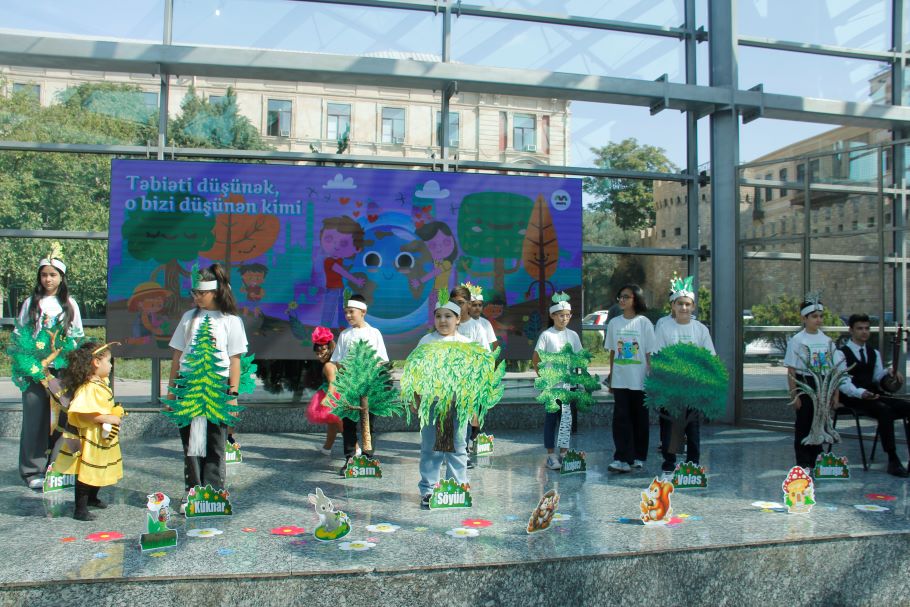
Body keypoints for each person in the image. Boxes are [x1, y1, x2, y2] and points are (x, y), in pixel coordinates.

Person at [166, 263, 248, 507]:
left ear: (215, 291)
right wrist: (171, 392)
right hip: (189, 387)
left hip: (216, 387)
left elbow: (235, 361)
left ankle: (213, 492)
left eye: (201, 293)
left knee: (214, 441)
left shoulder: (230, 321)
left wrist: (232, 395)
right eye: (194, 293)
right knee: (193, 443)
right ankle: (193, 490)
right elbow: (177, 357)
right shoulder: (188, 318)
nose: (197, 298)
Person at [17, 252, 84, 489]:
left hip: (61, 371)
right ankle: (32, 470)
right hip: (35, 371)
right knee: (35, 419)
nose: (48, 280)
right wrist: (32, 364)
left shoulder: (70, 304)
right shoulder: (30, 303)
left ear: (61, 277)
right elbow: (21, 336)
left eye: (53, 275)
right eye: (44, 275)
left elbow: (76, 336)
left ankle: (56, 467)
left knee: (63, 420)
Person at [654, 276, 715, 480]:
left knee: (692, 427)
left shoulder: (700, 330)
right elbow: (658, 357)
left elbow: (709, 359)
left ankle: (692, 466)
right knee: (670, 427)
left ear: (693, 306)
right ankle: (669, 465)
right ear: (673, 306)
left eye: (687, 304)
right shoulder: (664, 328)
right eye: (680, 303)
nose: (684, 308)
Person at [53, 342, 123, 521]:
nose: (111, 365)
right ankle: (80, 509)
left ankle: (92, 498)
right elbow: (81, 412)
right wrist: (106, 418)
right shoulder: (88, 387)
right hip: (90, 438)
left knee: (99, 468)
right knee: (87, 471)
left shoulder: (99, 382)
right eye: (108, 361)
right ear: (96, 362)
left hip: (100, 438)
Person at [414, 294, 472, 508]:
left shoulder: (466, 344)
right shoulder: (426, 342)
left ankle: (458, 488)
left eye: (448, 316)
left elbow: (473, 378)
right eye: (438, 316)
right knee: (431, 448)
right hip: (432, 405)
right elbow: (415, 373)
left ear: (458, 319)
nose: (443, 320)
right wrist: (417, 398)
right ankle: (429, 489)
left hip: (458, 406)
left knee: (457, 447)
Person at [838, 313, 910, 477]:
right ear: (851, 330)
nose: (864, 332)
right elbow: (843, 383)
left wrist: (888, 373)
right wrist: (861, 393)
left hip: (874, 394)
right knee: (884, 411)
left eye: (867, 328)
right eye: (860, 328)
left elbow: (877, 376)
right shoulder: (841, 353)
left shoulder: (874, 353)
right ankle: (893, 459)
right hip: (853, 397)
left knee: (907, 407)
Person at [330, 294, 388, 475]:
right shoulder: (345, 335)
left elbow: (381, 360)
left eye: (351, 312)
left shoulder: (374, 333)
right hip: (350, 387)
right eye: (346, 312)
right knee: (348, 424)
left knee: (368, 423)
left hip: (369, 386)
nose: (348, 315)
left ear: (363, 312)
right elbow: (337, 360)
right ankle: (350, 458)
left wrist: (368, 376)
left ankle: (368, 457)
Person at [783, 294, 843, 470]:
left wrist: (835, 394)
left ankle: (817, 457)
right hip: (805, 383)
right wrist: (795, 395)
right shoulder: (797, 340)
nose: (818, 320)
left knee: (820, 421)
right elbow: (792, 370)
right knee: (804, 421)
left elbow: (834, 369)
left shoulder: (826, 340)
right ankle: (802, 460)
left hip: (822, 384)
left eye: (820, 316)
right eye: (814, 316)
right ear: (804, 318)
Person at [605, 284, 655, 473]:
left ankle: (638, 456)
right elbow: (612, 352)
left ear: (636, 299)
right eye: (620, 296)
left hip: (640, 379)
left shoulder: (644, 323)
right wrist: (611, 377)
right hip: (620, 379)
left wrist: (652, 378)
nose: (622, 300)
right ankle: (621, 458)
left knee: (640, 418)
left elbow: (650, 353)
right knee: (621, 418)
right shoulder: (614, 323)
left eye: (626, 297)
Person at [532, 294, 583, 470]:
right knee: (551, 420)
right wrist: (544, 379)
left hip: (568, 387)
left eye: (568, 315)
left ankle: (564, 452)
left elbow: (579, 359)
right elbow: (536, 359)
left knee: (566, 420)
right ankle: (550, 454)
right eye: (561, 315)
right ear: (553, 316)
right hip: (552, 387)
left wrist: (579, 380)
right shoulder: (547, 335)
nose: (565, 318)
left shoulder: (573, 336)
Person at [451, 284, 490, 468]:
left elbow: (485, 355)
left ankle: (462, 453)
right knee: (447, 417)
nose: (457, 306)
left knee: (465, 417)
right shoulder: (447, 323)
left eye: (460, 303)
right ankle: (446, 451)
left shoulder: (476, 327)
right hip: (448, 381)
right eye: (454, 303)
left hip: (468, 381)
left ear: (468, 303)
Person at [305, 326, 344, 456]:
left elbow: (333, 382)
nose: (319, 354)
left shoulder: (328, 365)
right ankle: (327, 447)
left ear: (330, 348)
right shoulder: (333, 363)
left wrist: (328, 397)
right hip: (335, 396)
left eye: (323, 350)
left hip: (333, 396)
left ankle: (355, 448)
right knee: (333, 423)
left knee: (340, 424)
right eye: (317, 352)